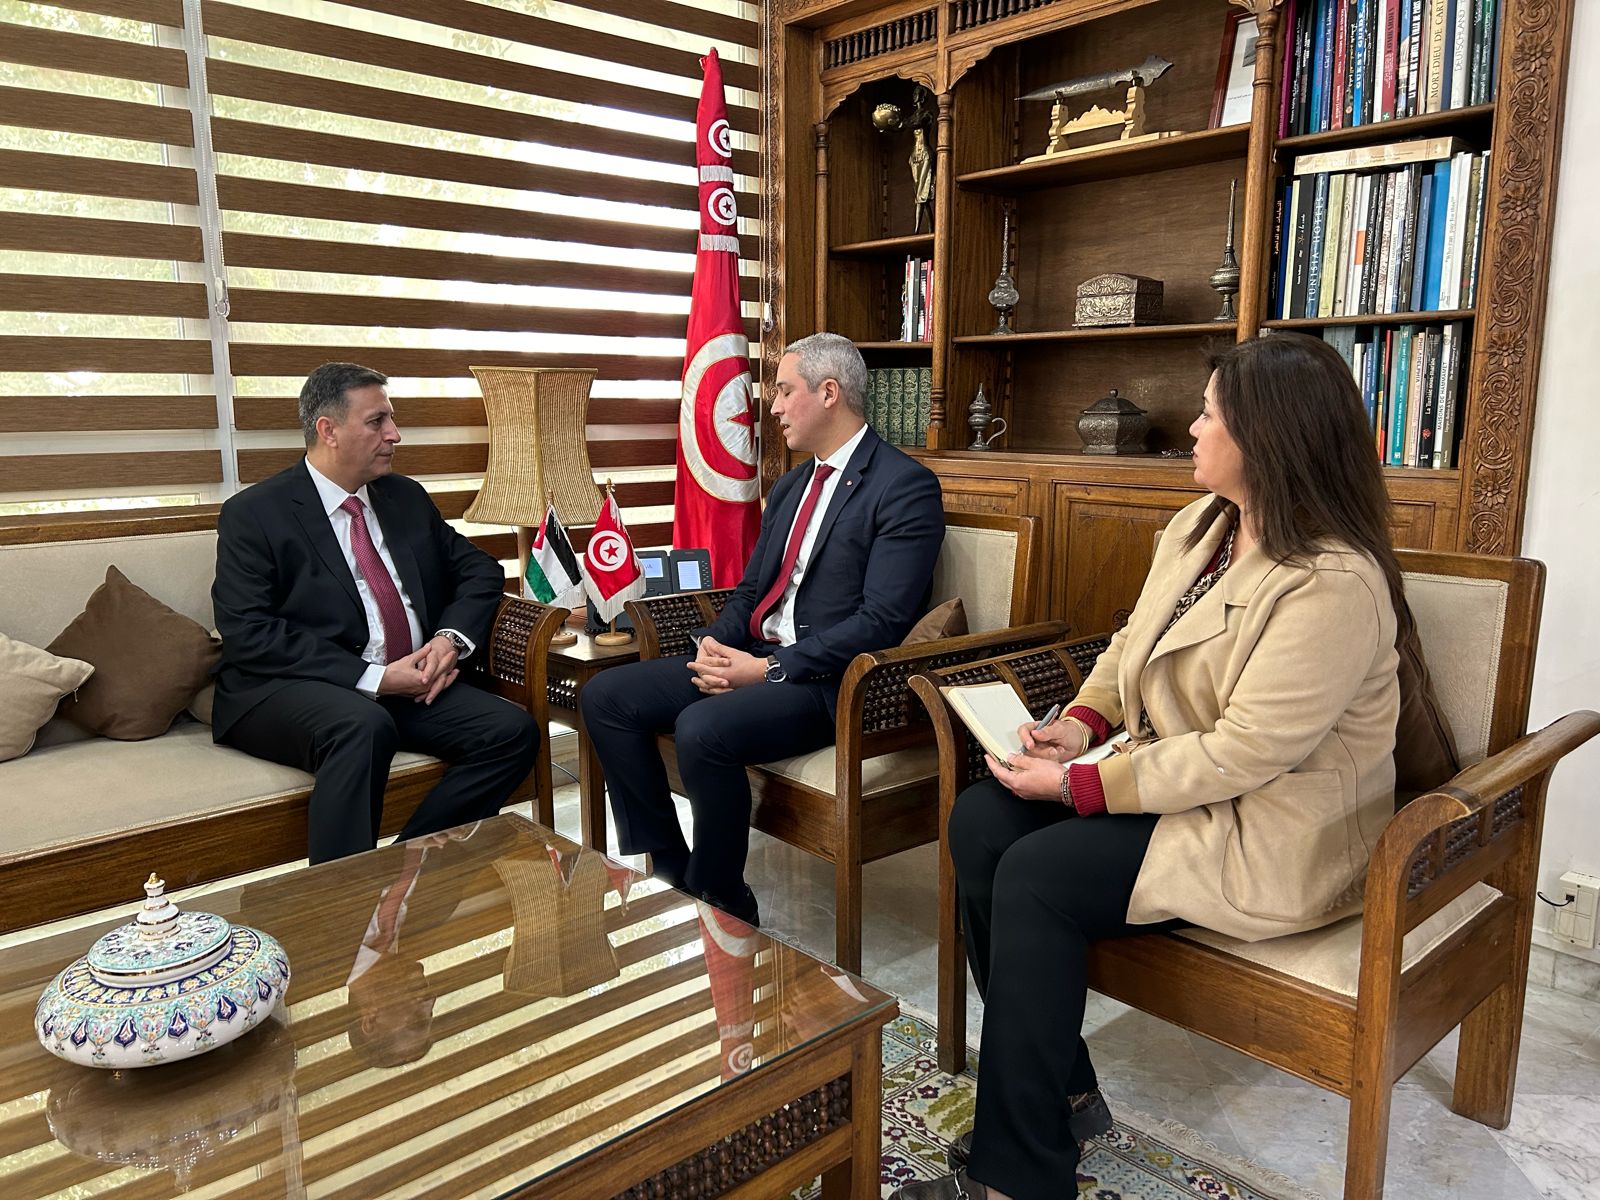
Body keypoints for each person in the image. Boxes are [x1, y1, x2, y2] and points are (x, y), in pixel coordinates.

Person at [894, 332, 1406, 1200]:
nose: (1193, 430)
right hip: (1178, 783)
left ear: (1268, 437)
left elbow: (1247, 751)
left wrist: (1080, 785)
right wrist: (1080, 724)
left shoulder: (1333, 581)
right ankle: (1063, 1095)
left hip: (1270, 825)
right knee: (982, 821)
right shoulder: (1201, 526)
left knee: (1038, 877)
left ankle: (1019, 1176)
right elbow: (1133, 640)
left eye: (1209, 415)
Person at [581, 333, 945, 925]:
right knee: (606, 696)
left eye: (783, 390)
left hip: (828, 682)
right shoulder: (792, 485)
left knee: (702, 729)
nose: (771, 408)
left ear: (829, 393)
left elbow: (882, 621)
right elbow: (752, 590)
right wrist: (716, 644)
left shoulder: (904, 486)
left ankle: (722, 893)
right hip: (756, 654)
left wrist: (769, 669)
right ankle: (671, 864)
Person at [212, 362, 538, 864]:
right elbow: (249, 631)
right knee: (363, 725)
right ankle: (340, 899)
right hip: (294, 687)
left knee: (512, 731)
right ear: (329, 430)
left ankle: (404, 875)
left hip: (410, 681)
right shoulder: (255, 514)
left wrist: (449, 641)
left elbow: (479, 570)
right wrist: (376, 679)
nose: (395, 434)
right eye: (377, 421)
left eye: (392, 419)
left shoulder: (403, 497)